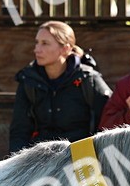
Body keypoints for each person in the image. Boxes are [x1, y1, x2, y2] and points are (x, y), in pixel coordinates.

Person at [9, 21, 112, 154]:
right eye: (37, 42)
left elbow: (108, 124)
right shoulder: (28, 80)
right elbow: (19, 130)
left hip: (82, 158)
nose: (37, 49)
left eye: (45, 43)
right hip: (40, 159)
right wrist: (18, 165)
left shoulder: (88, 79)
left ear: (66, 49)